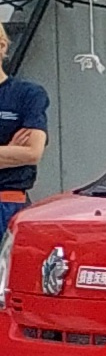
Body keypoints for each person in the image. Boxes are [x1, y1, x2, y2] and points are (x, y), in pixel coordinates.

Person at [0, 27, 44, 230]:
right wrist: (10, 152)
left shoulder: (28, 94)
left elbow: (33, 153)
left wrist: (21, 153)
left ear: (2, 46)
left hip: (8, 205)